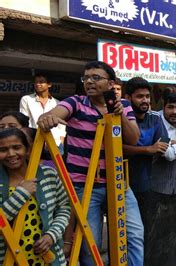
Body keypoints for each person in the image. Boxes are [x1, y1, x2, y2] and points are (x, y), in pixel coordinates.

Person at [36, 61, 143, 265]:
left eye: (96, 78)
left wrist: (119, 115)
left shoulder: (124, 106)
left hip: (118, 185)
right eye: (86, 78)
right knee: (89, 246)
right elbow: (55, 113)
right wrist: (47, 118)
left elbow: (133, 139)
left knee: (134, 236)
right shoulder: (76, 102)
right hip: (84, 187)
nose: (89, 82)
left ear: (111, 84)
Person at [0, 128, 71, 265]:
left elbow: (64, 208)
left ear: (27, 149)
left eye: (16, 147)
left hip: (49, 260)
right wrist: (21, 194)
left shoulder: (48, 175)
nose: (11, 154)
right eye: (3, 150)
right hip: (8, 260)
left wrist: (52, 235)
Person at [122, 77, 168, 198]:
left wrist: (155, 149)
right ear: (127, 98)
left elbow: (163, 143)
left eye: (147, 96)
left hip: (145, 182)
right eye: (140, 96)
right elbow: (114, 148)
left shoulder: (155, 118)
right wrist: (147, 149)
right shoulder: (119, 118)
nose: (145, 100)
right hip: (119, 180)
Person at [19, 73, 66, 149]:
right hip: (34, 141)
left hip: (55, 143)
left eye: (41, 82)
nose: (38, 84)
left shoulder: (57, 103)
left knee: (54, 161)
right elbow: (23, 122)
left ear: (49, 85)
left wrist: (61, 142)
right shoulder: (26, 99)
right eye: (36, 82)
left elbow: (61, 125)